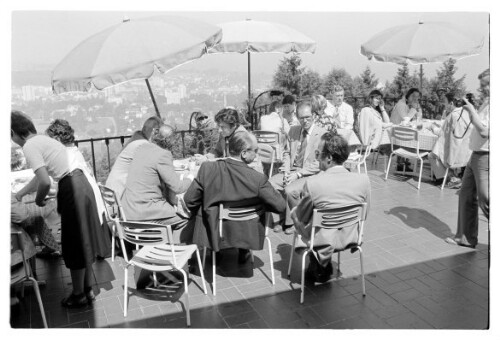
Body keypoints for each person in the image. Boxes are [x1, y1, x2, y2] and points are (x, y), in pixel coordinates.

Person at [11, 110, 102, 308]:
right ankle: (87, 288)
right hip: (81, 184)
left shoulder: (29, 146)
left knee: (73, 243)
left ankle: (78, 294)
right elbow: (40, 177)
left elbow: (43, 181)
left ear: (14, 132)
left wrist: (39, 199)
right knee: (83, 239)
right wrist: (20, 194)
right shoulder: (44, 141)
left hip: (72, 189)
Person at [184, 131, 286, 263]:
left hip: (215, 229)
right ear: (243, 153)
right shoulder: (257, 179)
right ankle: (243, 250)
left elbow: (189, 200)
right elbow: (281, 205)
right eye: (255, 150)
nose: (257, 153)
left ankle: (216, 251)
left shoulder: (207, 169)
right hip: (248, 231)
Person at [291, 132, 371, 282]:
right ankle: (322, 264)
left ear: (328, 158)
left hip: (323, 240)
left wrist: (294, 212)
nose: (316, 157)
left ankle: (318, 262)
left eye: (317, 153)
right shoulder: (363, 180)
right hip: (350, 237)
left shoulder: (313, 183)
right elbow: (364, 214)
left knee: (298, 214)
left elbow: (302, 217)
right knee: (322, 220)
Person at [121, 125, 194, 243]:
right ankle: (175, 253)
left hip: (127, 209)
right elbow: (177, 187)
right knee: (185, 217)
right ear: (171, 141)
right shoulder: (163, 155)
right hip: (144, 211)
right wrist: (191, 177)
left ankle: (163, 245)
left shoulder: (141, 148)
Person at [269, 101, 328, 235]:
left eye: (308, 117)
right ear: (297, 117)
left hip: (309, 173)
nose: (305, 120)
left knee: (290, 190)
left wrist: (299, 174)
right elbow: (287, 152)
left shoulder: (322, 134)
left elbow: (319, 163)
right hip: (292, 169)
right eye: (301, 118)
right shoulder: (294, 130)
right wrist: (286, 170)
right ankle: (281, 218)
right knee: (270, 184)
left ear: (314, 115)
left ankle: (296, 222)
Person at [446, 69, 489, 248]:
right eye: (482, 84)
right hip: (475, 154)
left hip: (486, 155)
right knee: (465, 195)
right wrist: (473, 108)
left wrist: (471, 110)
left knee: (486, 199)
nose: (482, 87)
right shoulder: (487, 102)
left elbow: (486, 131)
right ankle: (465, 238)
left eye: (486, 84)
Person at [106, 116, 162, 200]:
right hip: (120, 196)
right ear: (155, 131)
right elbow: (154, 168)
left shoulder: (136, 137)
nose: (159, 138)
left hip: (112, 190)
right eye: (159, 134)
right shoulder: (142, 144)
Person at [390, 88, 423, 171]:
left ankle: (404, 161)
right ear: (408, 95)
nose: (416, 99)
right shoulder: (401, 104)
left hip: (400, 132)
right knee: (412, 138)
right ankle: (401, 163)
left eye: (417, 97)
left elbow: (419, 118)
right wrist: (414, 109)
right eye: (413, 96)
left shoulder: (407, 104)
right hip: (394, 135)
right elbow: (406, 120)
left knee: (411, 135)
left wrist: (418, 108)